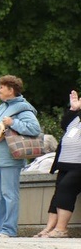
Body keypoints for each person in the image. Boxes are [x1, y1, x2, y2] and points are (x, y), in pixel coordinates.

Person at [0, 75, 41, 238]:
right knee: (0, 194)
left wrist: (13, 123)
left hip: (10, 158)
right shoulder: (3, 106)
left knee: (9, 194)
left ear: (11, 90)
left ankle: (9, 230)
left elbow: (34, 129)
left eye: (1, 87)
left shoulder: (23, 108)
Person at [34, 91, 81, 238]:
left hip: (79, 163)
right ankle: (50, 228)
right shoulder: (77, 116)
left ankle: (61, 228)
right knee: (58, 192)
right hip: (66, 161)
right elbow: (64, 125)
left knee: (66, 189)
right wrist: (73, 109)